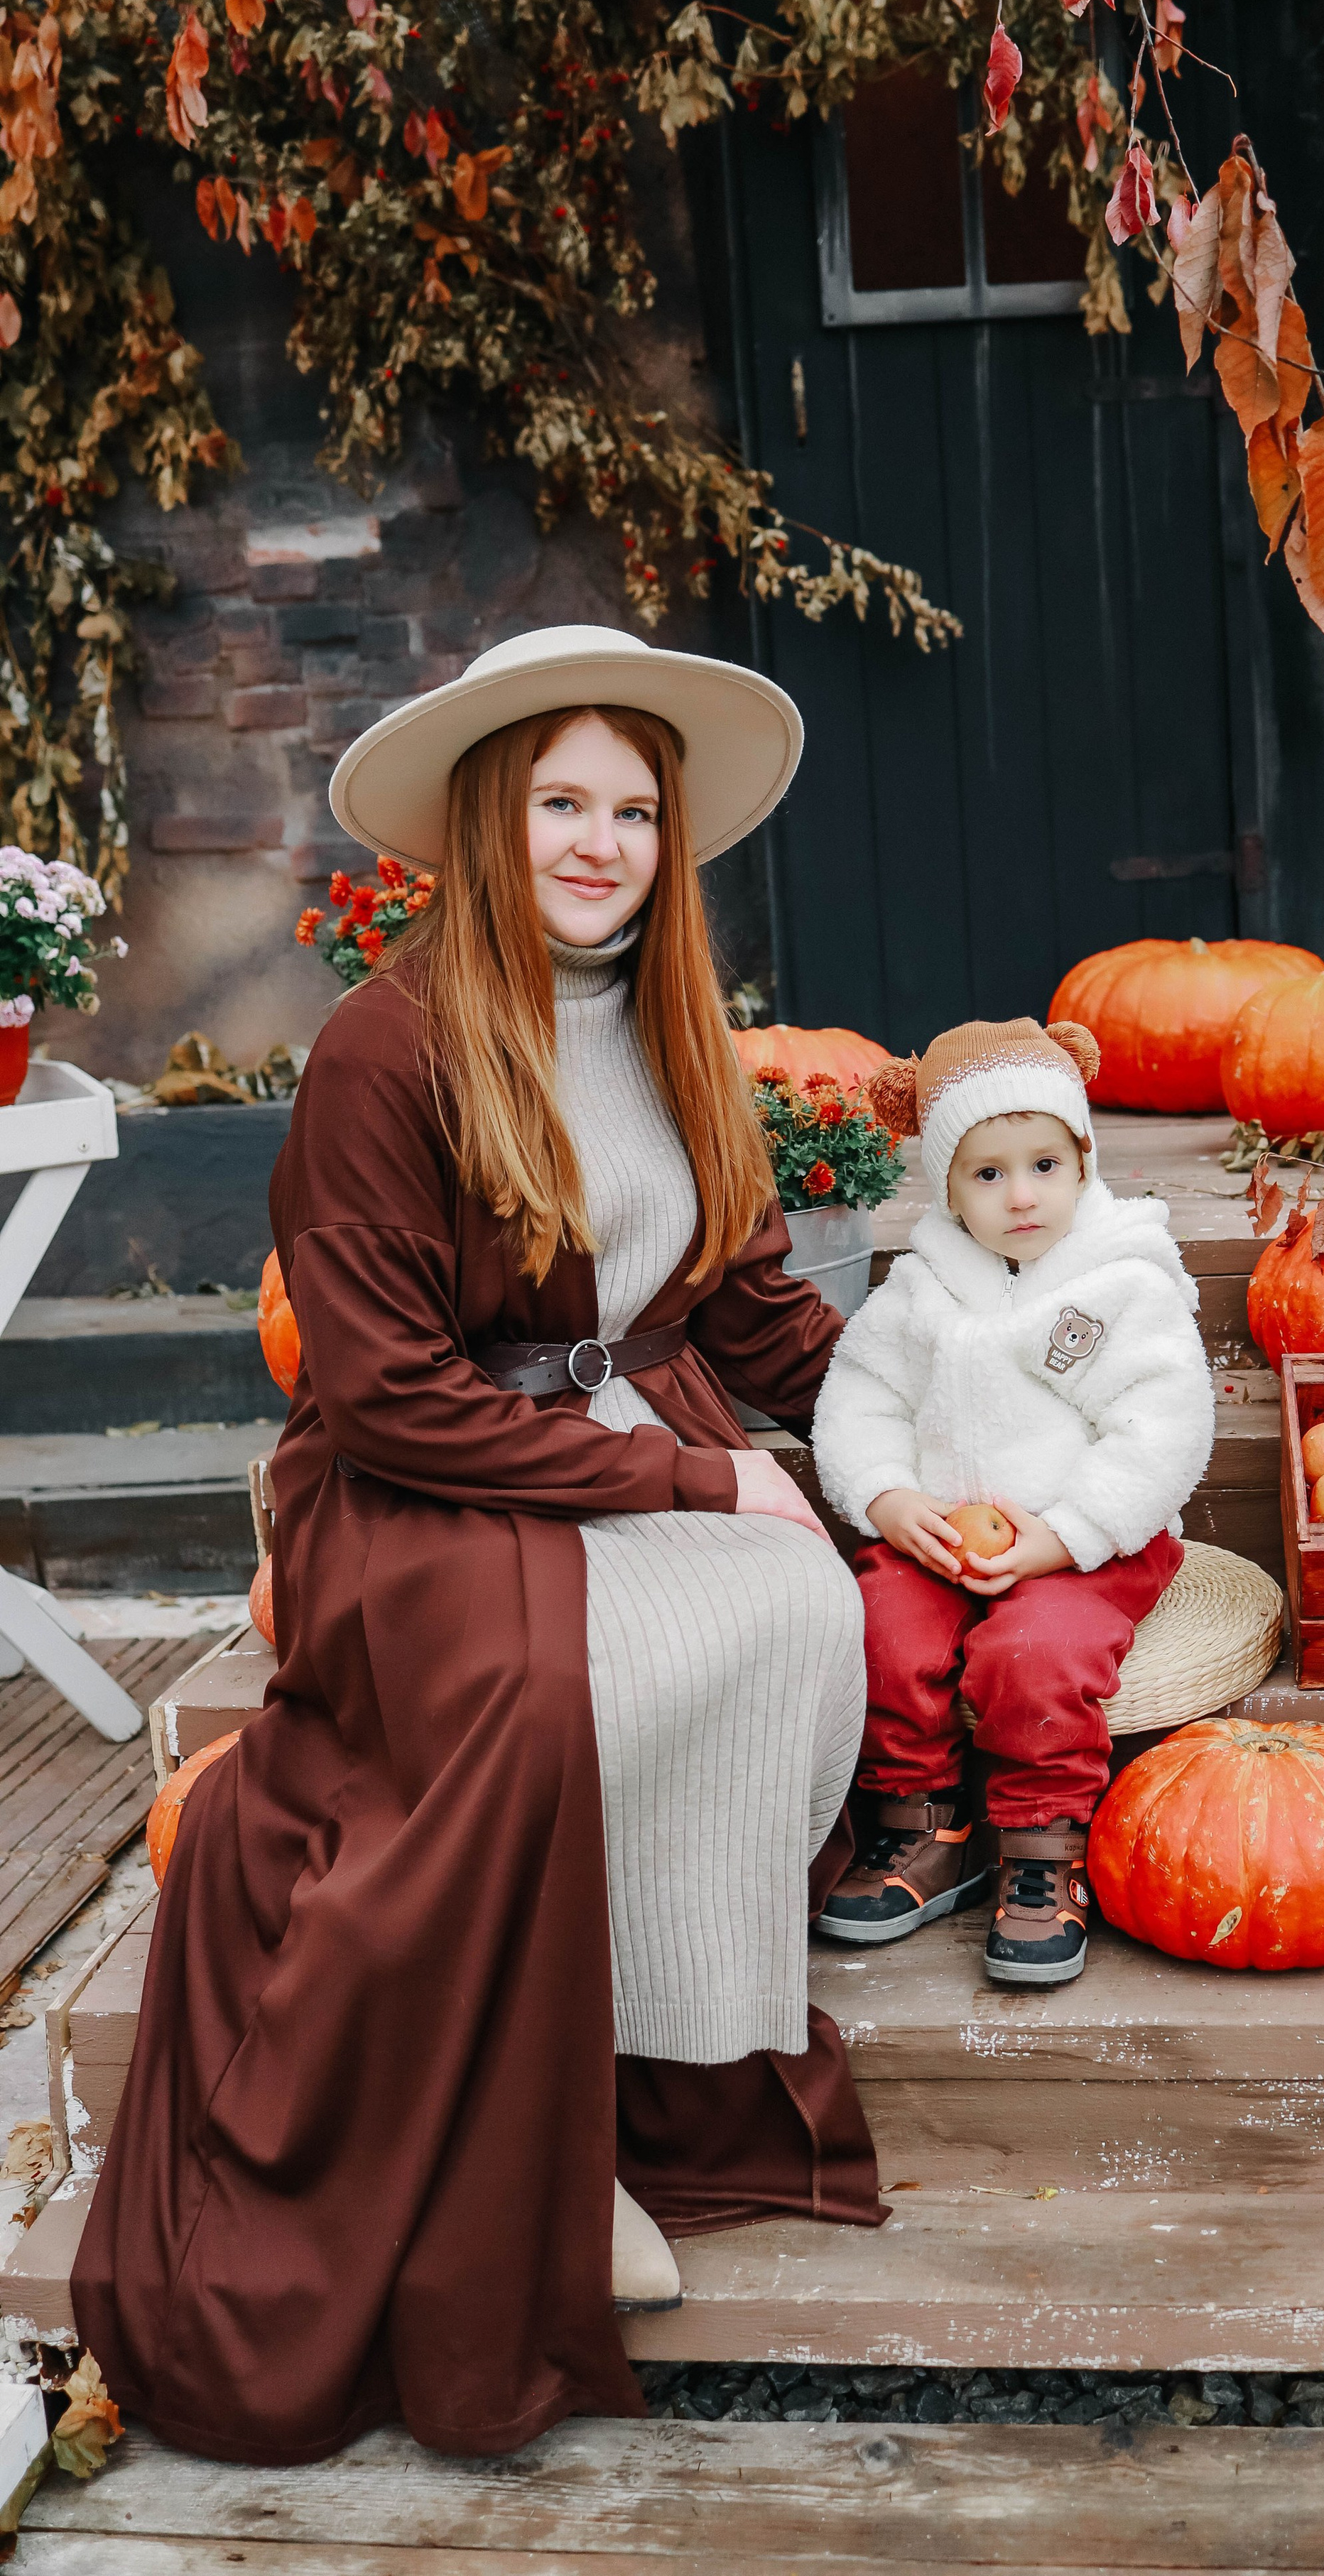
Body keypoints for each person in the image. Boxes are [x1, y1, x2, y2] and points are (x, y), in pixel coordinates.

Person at [73, 624, 884, 2466]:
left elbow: (750, 1303)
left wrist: (903, 1438)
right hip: (418, 1483)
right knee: (531, 1688)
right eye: (556, 805)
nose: (597, 841)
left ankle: (634, 2075)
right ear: (482, 827)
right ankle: (530, 2158)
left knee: (790, 1616)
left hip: (621, 1427)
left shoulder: (681, 1035)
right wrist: (695, 1488)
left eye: (631, 809)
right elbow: (384, 1400)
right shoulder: (388, 1048)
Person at [810, 1017, 1215, 1986]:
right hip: (944, 1536)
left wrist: (1066, 1535)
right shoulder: (922, 1287)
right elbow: (863, 1396)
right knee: (880, 1626)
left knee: (1034, 1655)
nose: (1021, 1196)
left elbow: (1162, 1425)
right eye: (987, 1175)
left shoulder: (1120, 1282)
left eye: (1044, 1164)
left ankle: (1042, 1846)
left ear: (1083, 1160)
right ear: (948, 1188)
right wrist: (889, 1496)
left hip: (1090, 1545)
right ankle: (922, 1821)